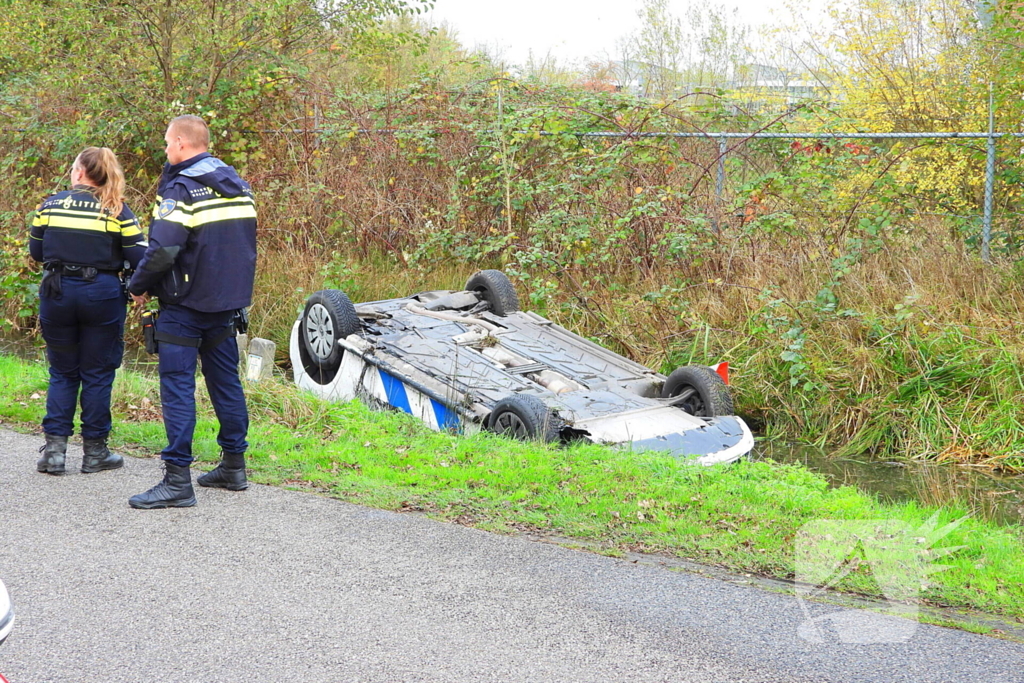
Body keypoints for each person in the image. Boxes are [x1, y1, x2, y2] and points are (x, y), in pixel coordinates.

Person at [126, 115, 257, 509]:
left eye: (168, 143)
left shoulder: (181, 190)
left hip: (185, 305)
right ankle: (234, 466)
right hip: (226, 304)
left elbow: (163, 249)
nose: (165, 150)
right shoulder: (240, 187)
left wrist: (137, 287)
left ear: (182, 143)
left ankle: (177, 480)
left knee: (178, 387)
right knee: (225, 383)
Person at [30, 147, 146, 475]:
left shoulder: (49, 205)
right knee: (97, 373)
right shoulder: (118, 210)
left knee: (63, 371)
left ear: (80, 172)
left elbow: (37, 252)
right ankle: (95, 451)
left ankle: (54, 452)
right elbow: (140, 259)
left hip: (57, 293)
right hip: (102, 296)